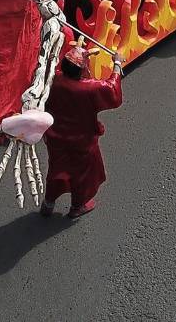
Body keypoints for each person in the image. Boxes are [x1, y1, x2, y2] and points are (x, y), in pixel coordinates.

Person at [40, 43, 124, 219]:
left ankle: (48, 203)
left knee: (56, 168)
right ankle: (78, 206)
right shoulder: (89, 88)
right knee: (83, 174)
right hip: (82, 141)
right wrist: (117, 64)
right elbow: (112, 90)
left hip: (56, 136)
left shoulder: (53, 80)